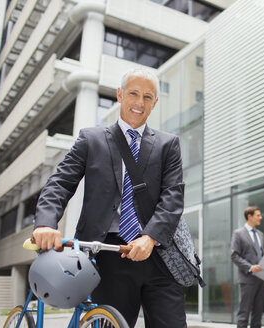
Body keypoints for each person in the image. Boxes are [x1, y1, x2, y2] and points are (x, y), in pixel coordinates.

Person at [32, 67, 186, 328]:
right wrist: (46, 223)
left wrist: (149, 238)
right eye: (133, 94)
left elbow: (173, 196)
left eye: (148, 97)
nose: (139, 103)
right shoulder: (91, 139)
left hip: (158, 254)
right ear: (119, 95)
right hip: (108, 253)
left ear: (155, 103)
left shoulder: (167, 144)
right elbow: (59, 184)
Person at [231, 206, 264, 328]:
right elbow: (234, 255)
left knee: (258, 314)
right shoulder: (238, 233)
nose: (260, 217)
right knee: (244, 313)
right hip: (247, 279)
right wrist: (250, 267)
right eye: (258, 215)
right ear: (250, 216)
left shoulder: (261, 234)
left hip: (261, 279)